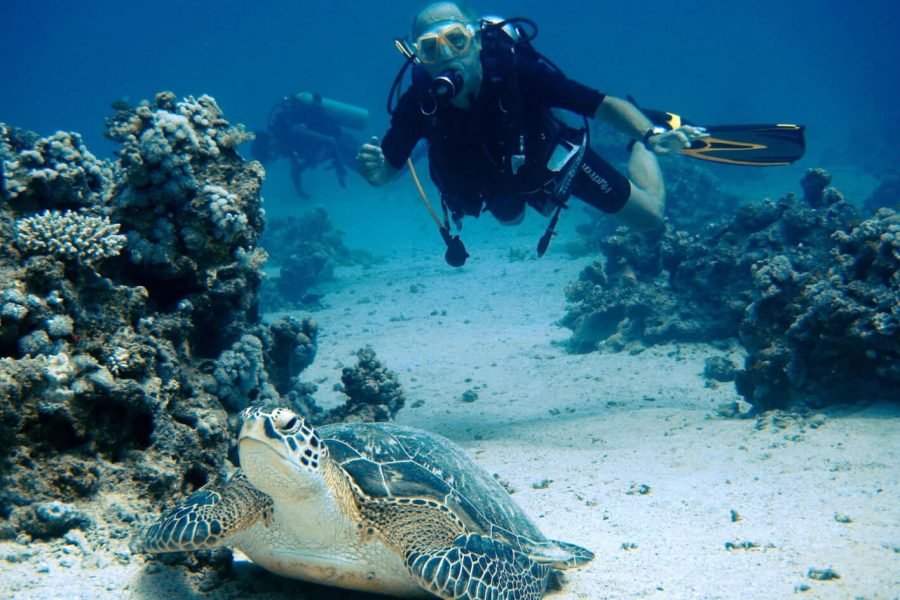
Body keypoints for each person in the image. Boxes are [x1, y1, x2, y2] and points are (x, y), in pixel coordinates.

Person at [356, 2, 707, 263]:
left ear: (476, 41)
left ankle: (642, 137)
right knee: (511, 220)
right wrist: (376, 171)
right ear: (419, 57)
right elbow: (388, 169)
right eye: (431, 47)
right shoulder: (418, 103)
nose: (446, 54)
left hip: (554, 162)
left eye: (456, 40)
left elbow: (600, 104)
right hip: (496, 183)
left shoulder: (519, 73)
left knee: (649, 218)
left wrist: (649, 135)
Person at [253, 92, 368, 199]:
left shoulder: (294, 131)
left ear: (269, 145)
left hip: (344, 145)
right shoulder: (286, 142)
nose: (275, 154)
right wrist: (300, 192)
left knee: (368, 167)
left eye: (271, 152)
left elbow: (331, 141)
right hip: (337, 151)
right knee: (366, 171)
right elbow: (296, 169)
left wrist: (339, 169)